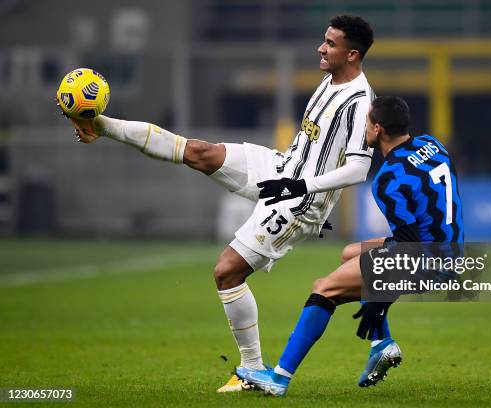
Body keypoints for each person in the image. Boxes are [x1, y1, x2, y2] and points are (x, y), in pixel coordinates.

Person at [63, 15, 381, 393]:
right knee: (200, 152)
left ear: (352, 54)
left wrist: (303, 188)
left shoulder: (361, 102)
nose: (321, 47)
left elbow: (360, 168)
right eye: (323, 40)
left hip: (299, 200)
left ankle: (250, 370)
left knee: (227, 271)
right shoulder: (330, 79)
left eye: (330, 43)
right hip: (281, 168)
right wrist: (291, 176)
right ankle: (103, 126)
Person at [237, 96, 464, 396]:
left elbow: (407, 251)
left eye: (367, 123)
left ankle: (278, 380)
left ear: (378, 128)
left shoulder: (388, 180)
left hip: (425, 258)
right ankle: (380, 344)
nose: (364, 129)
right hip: (450, 248)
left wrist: (378, 303)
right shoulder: (432, 145)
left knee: (324, 288)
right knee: (349, 253)